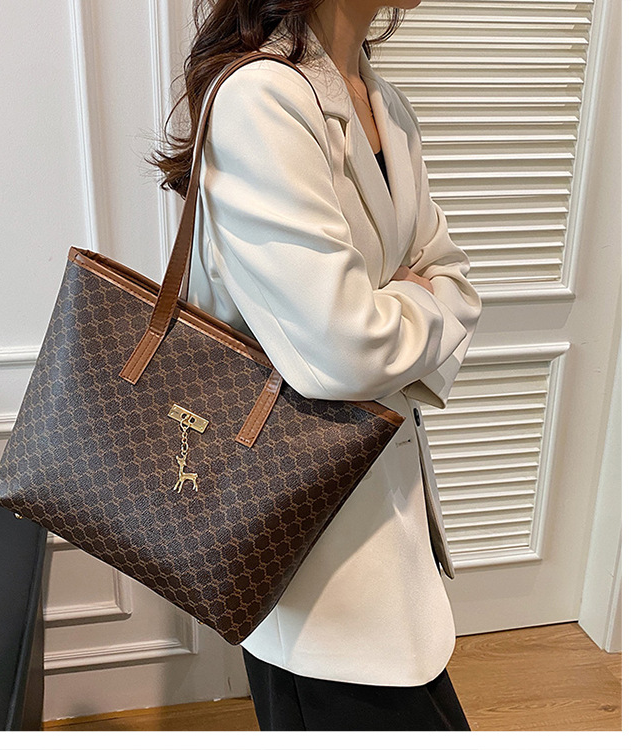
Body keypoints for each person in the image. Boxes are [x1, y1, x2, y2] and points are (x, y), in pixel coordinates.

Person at [147, 0, 482, 732]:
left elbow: (456, 278)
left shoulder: (383, 103)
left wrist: (397, 306)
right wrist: (415, 298)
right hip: (306, 558)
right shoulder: (261, 99)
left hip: (380, 529)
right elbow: (344, 349)